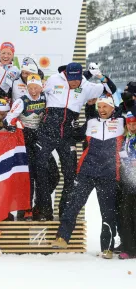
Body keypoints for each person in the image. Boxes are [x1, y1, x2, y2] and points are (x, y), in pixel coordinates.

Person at [35, 62, 117, 220]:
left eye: (76, 79)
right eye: (70, 79)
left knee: (71, 174)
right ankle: (44, 209)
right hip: (47, 130)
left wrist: (99, 75)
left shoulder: (87, 86)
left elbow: (111, 89)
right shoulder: (54, 79)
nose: (73, 83)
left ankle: (65, 211)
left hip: (67, 133)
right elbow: (37, 91)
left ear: (81, 76)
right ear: (65, 74)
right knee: (41, 169)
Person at [52, 96, 123, 259]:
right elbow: (74, 135)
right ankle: (62, 237)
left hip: (109, 174)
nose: (102, 110)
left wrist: (119, 107)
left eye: (106, 107)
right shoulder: (90, 122)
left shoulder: (121, 122)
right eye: (100, 107)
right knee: (73, 204)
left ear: (113, 108)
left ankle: (107, 248)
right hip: (86, 171)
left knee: (108, 213)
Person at [4, 74, 46, 220]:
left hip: (41, 138)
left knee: (45, 175)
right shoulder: (22, 101)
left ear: (41, 87)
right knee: (29, 176)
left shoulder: (45, 98)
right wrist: (17, 125)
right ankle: (25, 209)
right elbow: (8, 119)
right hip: (26, 138)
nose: (33, 91)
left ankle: (40, 207)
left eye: (36, 88)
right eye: (30, 88)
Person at [118, 112, 136, 259]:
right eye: (129, 124)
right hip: (127, 181)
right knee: (126, 214)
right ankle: (128, 247)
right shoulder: (125, 139)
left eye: (134, 123)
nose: (132, 126)